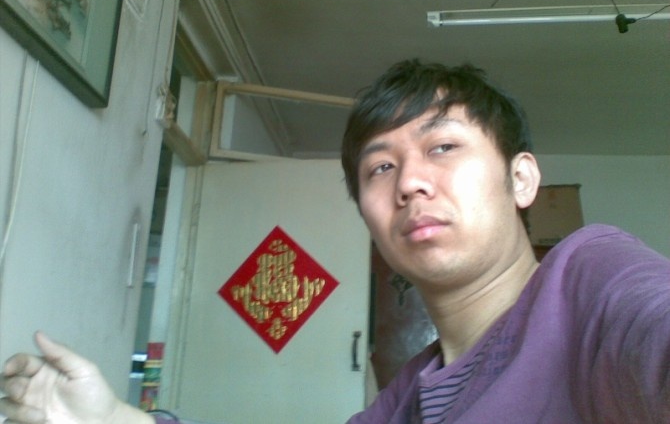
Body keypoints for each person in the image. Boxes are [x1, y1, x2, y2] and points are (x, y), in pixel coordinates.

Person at [1, 60, 669, 423]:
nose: (410, 182)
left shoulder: (590, 281)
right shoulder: (406, 399)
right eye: (380, 168)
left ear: (520, 178)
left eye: (442, 146)